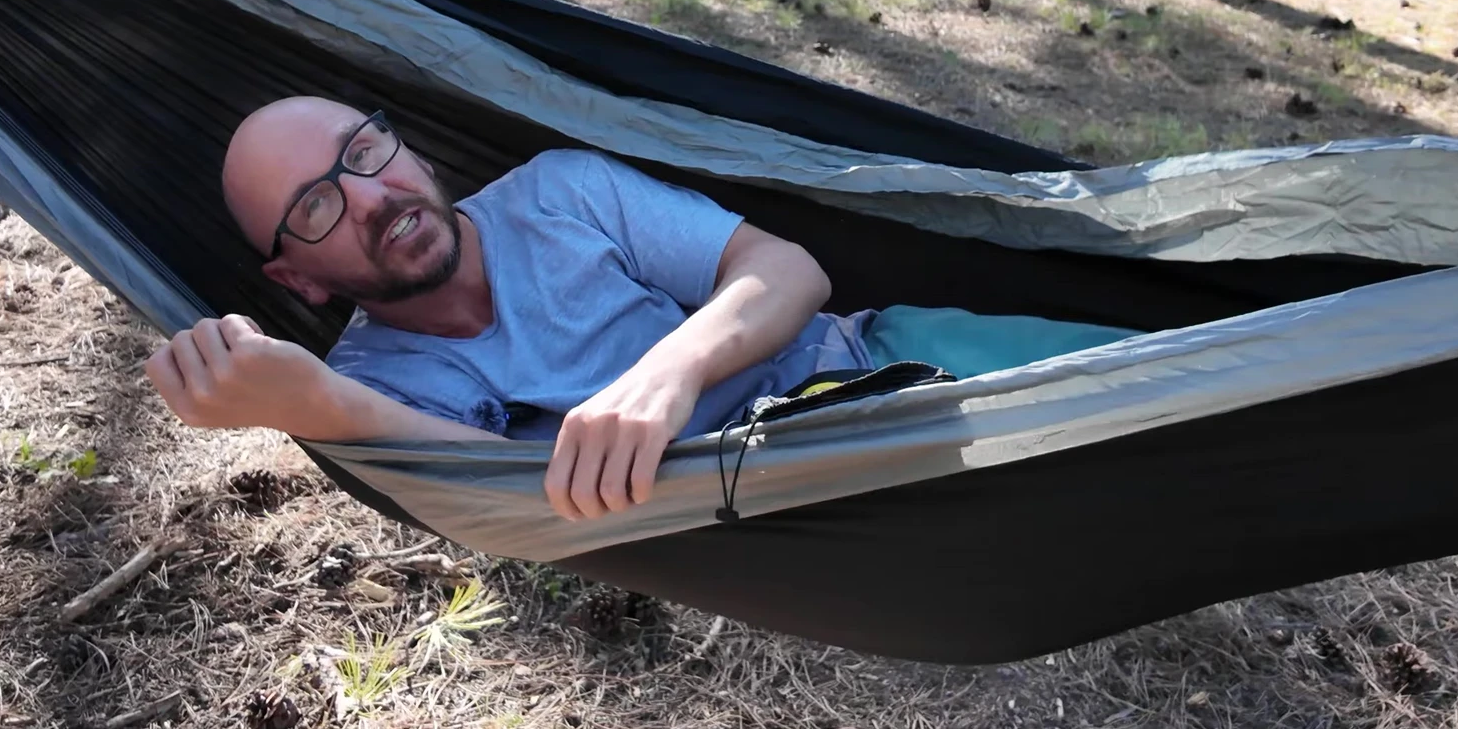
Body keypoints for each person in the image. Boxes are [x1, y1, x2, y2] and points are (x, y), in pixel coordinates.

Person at [146, 96, 1135, 520]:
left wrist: (669, 372)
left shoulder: (560, 193)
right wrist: (313, 405)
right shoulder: (375, 384)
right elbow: (500, 500)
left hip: (880, 359)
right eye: (316, 206)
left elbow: (786, 268)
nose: (372, 195)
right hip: (773, 499)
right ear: (300, 281)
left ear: (408, 148)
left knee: (1190, 379)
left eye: (365, 151)